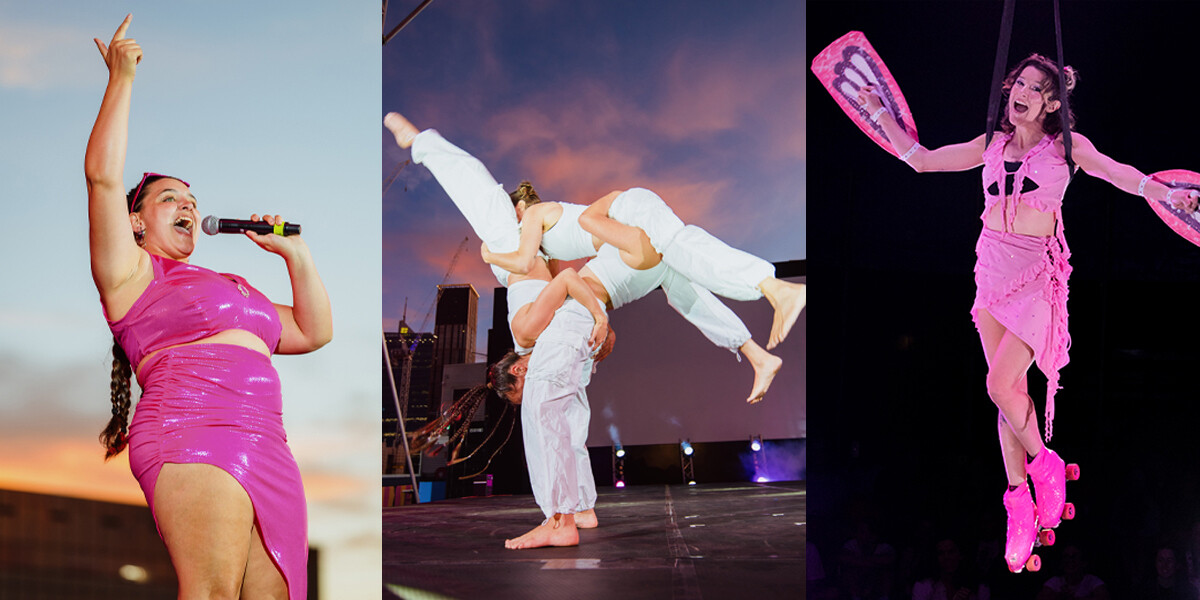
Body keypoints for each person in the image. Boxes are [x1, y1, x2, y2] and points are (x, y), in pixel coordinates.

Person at [854, 53, 1200, 573]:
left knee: (999, 384)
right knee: (1007, 394)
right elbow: (920, 159)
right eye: (1018, 81)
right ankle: (1018, 504)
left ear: (1051, 103)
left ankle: (1045, 462)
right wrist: (879, 112)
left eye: (1034, 87)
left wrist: (1163, 191)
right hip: (990, 272)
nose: (1020, 90)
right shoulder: (988, 146)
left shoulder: (1065, 149)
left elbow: (1119, 174)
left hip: (1035, 277)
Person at [87, 16, 332, 599]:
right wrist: (122, 77)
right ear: (135, 222)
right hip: (190, 426)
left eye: (192, 202)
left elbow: (313, 330)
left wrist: (296, 255)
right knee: (212, 591)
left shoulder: (232, 284)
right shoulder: (132, 275)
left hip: (267, 440)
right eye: (169, 198)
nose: (187, 207)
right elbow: (101, 178)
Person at [386, 111, 795, 403]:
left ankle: (771, 287)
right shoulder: (556, 266)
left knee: (676, 247)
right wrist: (600, 326)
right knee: (678, 281)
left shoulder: (532, 232)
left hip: (591, 240)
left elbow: (589, 225)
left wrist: (492, 252)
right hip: (614, 261)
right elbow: (577, 286)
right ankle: (756, 352)